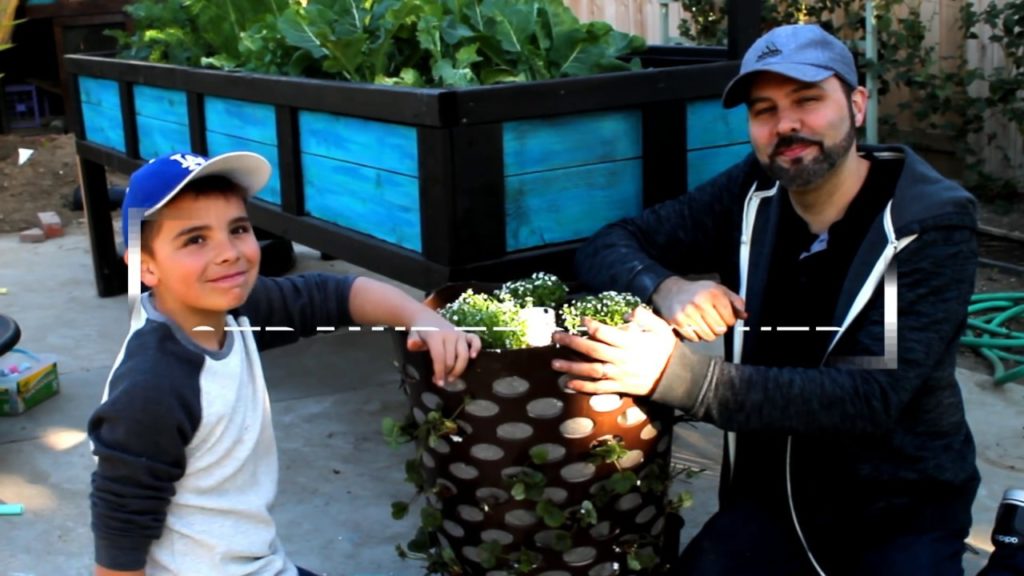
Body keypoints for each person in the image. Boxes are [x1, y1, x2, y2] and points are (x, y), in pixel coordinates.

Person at [552, 24, 980, 576]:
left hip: (896, 507)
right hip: (770, 497)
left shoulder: (923, 224)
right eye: (764, 110)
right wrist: (667, 286)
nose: (786, 125)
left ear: (856, 105)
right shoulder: (754, 191)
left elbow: (868, 396)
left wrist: (680, 377)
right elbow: (609, 244)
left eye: (807, 100)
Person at [88, 151, 481, 576]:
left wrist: (420, 317)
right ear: (145, 266)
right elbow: (119, 534)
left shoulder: (232, 311)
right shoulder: (154, 385)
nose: (229, 253)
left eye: (238, 229)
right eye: (195, 239)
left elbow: (335, 296)